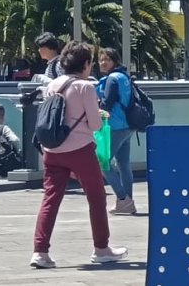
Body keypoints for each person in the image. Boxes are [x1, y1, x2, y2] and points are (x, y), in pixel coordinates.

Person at [31, 42, 127, 269]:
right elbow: (94, 124)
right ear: (85, 64)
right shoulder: (85, 87)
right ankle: (101, 248)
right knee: (96, 197)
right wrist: (100, 115)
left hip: (52, 151)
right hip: (80, 150)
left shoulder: (53, 84)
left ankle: (40, 251)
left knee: (50, 200)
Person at [96, 48, 137, 216]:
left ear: (114, 61)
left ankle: (123, 199)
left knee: (102, 162)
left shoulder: (112, 79)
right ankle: (128, 201)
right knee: (123, 164)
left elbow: (106, 104)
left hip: (115, 126)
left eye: (107, 59)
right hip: (128, 125)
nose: (103, 63)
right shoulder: (124, 76)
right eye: (101, 59)